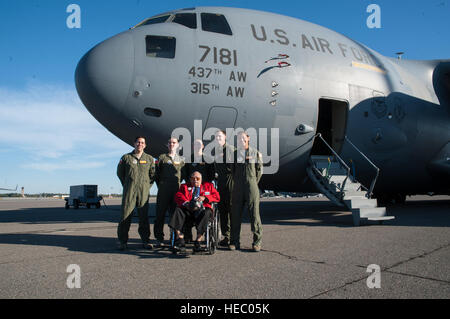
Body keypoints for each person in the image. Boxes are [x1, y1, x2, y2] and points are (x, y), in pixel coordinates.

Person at [116, 136, 155, 250]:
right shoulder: (126, 158)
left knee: (144, 217)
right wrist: (128, 184)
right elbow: (120, 173)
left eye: (142, 142)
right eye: (138, 142)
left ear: (145, 145)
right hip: (130, 191)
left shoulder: (149, 158)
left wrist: (146, 186)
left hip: (143, 192)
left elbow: (152, 175)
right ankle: (123, 241)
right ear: (134, 143)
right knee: (125, 216)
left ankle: (145, 241)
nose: (140, 144)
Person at [169, 171, 220, 252]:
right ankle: (180, 239)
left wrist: (205, 198)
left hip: (202, 210)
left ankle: (198, 240)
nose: (195, 180)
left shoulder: (208, 186)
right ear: (190, 179)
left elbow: (217, 197)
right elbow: (178, 196)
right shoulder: (184, 186)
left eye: (197, 178)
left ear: (201, 179)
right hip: (188, 210)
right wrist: (186, 203)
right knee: (178, 210)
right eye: (193, 178)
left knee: (207, 212)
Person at [229, 131, 263, 252]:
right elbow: (232, 171)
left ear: (248, 138)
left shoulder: (256, 153)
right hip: (238, 187)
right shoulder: (234, 154)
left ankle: (257, 242)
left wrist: (252, 181)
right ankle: (234, 242)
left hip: (251, 186)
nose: (241, 140)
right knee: (235, 215)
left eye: (243, 138)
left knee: (254, 215)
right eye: (239, 138)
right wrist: (239, 181)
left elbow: (259, 170)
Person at [181, 139, 215, 242]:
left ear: (203, 146)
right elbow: (185, 174)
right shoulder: (188, 159)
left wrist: (205, 188)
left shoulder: (208, 159)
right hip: (191, 189)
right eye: (195, 144)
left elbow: (211, 174)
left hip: (204, 189)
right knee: (185, 210)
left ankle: (201, 237)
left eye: (199, 144)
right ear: (192, 146)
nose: (197, 146)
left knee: (205, 211)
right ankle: (187, 236)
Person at [154, 137, 185, 247]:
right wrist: (161, 185)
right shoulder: (162, 158)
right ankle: (159, 238)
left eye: (174, 142)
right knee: (160, 215)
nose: (172, 144)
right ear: (167, 145)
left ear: (178, 145)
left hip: (176, 189)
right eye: (170, 142)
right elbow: (156, 174)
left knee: (174, 214)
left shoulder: (181, 160)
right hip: (163, 190)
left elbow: (183, 175)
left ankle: (174, 236)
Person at [213, 130, 235, 247]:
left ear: (225, 137)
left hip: (230, 180)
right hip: (220, 182)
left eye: (220, 136)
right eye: (216, 136)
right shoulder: (216, 151)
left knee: (232, 210)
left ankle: (233, 238)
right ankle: (226, 236)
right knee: (223, 210)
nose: (218, 138)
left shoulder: (231, 149)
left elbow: (237, 167)